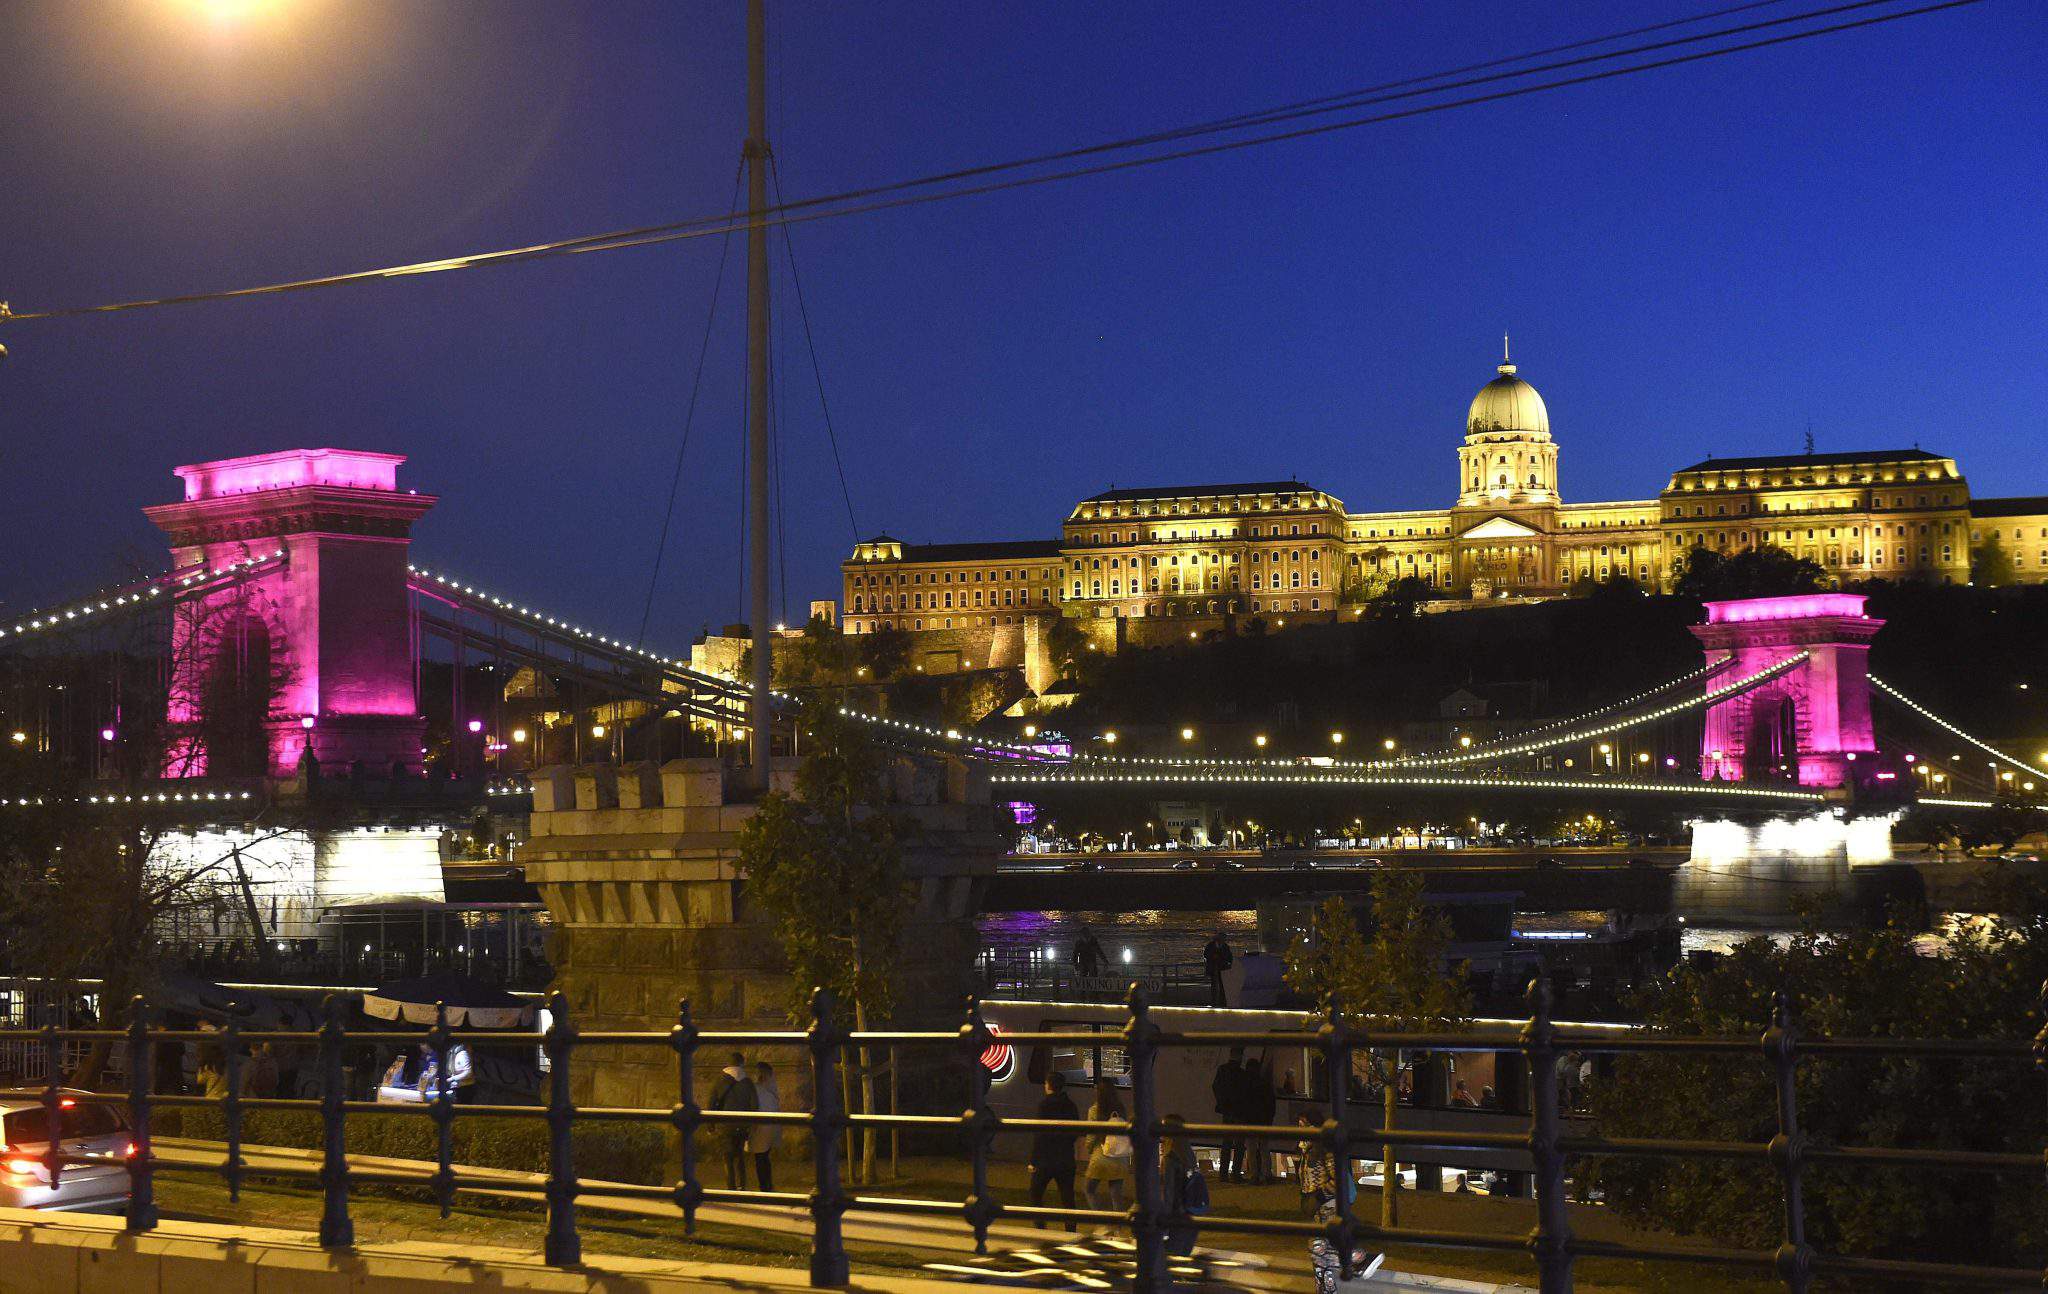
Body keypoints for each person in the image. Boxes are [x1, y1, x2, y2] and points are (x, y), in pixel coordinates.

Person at [1027, 1071, 1081, 1231]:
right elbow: (1075, 1131)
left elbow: (1040, 1134)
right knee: (1067, 1196)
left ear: (1049, 1085)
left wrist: (1033, 1161)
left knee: (1035, 1192)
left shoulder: (1045, 1104)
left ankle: (1040, 1225)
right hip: (1065, 1158)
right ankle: (1070, 1229)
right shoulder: (1071, 1105)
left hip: (1046, 1159)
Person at [1081, 1081, 1132, 1229]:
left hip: (1101, 1155)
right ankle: (1119, 1228)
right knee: (1116, 1195)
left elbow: (1091, 1134)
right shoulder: (1121, 1109)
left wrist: (1089, 1148)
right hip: (1120, 1157)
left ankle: (1101, 1222)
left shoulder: (1094, 1110)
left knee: (1089, 1189)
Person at [709, 1051, 758, 1189]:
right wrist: (752, 1124)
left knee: (728, 1157)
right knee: (740, 1157)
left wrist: (710, 1126)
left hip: (725, 1125)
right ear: (742, 1063)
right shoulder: (748, 1082)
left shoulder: (720, 1081)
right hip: (743, 1125)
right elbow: (755, 1104)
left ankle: (731, 1187)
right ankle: (742, 1186)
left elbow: (712, 1103)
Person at [1160, 1114, 1204, 1257]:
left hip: (1176, 1216)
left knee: (1170, 1262)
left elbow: (1168, 1194)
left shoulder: (1170, 1159)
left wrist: (1163, 1227)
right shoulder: (1189, 1155)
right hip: (1192, 1215)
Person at [1211, 1047, 1248, 1182]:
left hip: (1227, 1111)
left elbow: (1215, 1086)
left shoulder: (1222, 1070)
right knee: (1239, 1144)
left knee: (1226, 1142)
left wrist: (1222, 1103)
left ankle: (1223, 1173)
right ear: (1240, 1057)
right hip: (1240, 1112)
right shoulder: (1242, 1074)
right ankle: (1236, 1173)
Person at [1244, 1056, 1278, 1183]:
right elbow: (1271, 1104)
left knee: (1251, 1149)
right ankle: (1266, 1174)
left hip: (1250, 1121)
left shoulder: (1245, 1084)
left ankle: (1254, 1175)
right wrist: (1269, 1118)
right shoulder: (1264, 1084)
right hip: (1263, 1121)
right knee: (1264, 1148)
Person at [1295, 1113, 1336, 1217]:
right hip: (1310, 1197)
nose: (1300, 1130)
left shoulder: (1324, 1149)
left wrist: (1320, 1196)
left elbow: (1338, 1179)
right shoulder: (1306, 1149)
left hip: (1325, 1202)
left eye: (1302, 1126)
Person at [748, 1061, 781, 1191]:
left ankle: (764, 1184)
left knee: (760, 1157)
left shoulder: (755, 1088)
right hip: (770, 1123)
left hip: (760, 1125)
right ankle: (767, 1183)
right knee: (764, 1156)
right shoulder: (771, 1087)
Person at [1202, 932, 1233, 1006]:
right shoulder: (1212, 945)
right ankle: (1215, 1001)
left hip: (1221, 968)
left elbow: (1229, 957)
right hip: (1214, 968)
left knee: (1222, 986)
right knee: (1215, 985)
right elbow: (1206, 954)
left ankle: (1221, 1001)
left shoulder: (1224, 946)